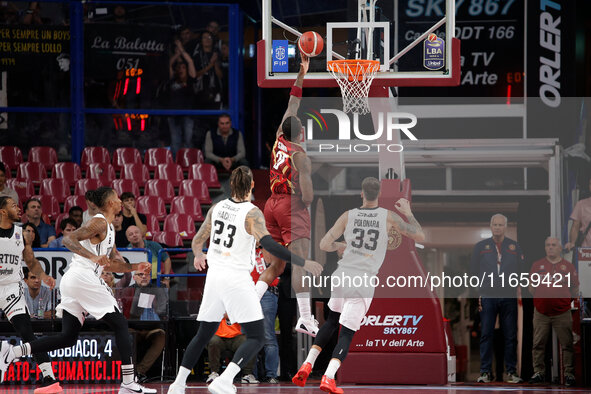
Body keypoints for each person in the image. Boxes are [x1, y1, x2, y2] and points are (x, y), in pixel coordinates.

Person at [167, 166, 321, 394]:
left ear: (231, 185)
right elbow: (268, 244)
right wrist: (302, 261)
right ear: (251, 186)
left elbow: (198, 238)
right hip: (236, 278)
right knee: (257, 336)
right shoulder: (252, 212)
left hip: (214, 277)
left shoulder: (217, 207)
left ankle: (177, 384)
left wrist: (199, 254)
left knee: (203, 334)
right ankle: (225, 379)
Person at [0, 187, 156, 394]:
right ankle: (128, 382)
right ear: (110, 203)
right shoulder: (98, 221)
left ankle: (12, 352)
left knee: (68, 337)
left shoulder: (109, 228)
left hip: (75, 280)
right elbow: (68, 240)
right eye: (117, 198)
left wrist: (136, 267)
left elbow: (108, 265)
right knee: (119, 323)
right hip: (83, 276)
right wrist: (92, 258)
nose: (120, 201)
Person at [292, 177, 425, 393]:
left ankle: (307, 364)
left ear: (361, 194)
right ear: (378, 195)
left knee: (332, 321)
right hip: (362, 280)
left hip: (341, 274)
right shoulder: (388, 217)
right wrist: (408, 212)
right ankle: (328, 377)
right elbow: (419, 234)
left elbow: (324, 244)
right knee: (346, 333)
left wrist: (341, 245)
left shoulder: (348, 216)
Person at [259, 55, 317, 336]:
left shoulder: (279, 137)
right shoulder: (301, 155)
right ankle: (304, 316)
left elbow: (293, 102)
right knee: (300, 262)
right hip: (290, 206)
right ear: (302, 132)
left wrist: (302, 74)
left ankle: (250, 302)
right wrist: (305, 206)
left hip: (269, 203)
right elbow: (307, 195)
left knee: (277, 264)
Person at [0, 196, 60, 392]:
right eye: (13, 205)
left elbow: (31, 261)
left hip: (12, 287)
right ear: (2, 211)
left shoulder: (22, 233)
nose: (18, 209)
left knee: (26, 331)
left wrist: (44, 276)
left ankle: (49, 376)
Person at [470, 214, 524, 384]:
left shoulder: (514, 247)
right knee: (486, 334)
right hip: (488, 295)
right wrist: (478, 294)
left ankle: (511, 372)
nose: (498, 227)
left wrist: (519, 291)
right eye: (495, 224)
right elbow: (473, 272)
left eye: (501, 224)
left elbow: (522, 272)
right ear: (491, 226)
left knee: (510, 335)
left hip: (508, 295)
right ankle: (485, 372)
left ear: (506, 227)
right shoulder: (480, 247)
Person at [528, 237, 579, 386]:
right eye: (548, 245)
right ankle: (539, 372)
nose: (550, 247)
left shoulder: (568, 267)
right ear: (545, 248)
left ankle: (569, 374)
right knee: (538, 344)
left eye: (553, 245)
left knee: (568, 344)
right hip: (541, 313)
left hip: (562, 312)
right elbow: (531, 288)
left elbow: (574, 288)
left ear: (560, 248)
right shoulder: (537, 265)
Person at [128, 271, 167, 382]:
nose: (144, 277)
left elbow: (163, 310)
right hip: (133, 328)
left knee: (161, 337)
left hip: (153, 328)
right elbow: (132, 314)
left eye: (147, 274)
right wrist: (140, 294)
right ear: (134, 277)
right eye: (140, 274)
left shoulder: (158, 290)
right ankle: (128, 372)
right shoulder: (128, 291)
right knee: (125, 334)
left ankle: (139, 372)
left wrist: (155, 305)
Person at [251, 247, 280, 383]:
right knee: (251, 335)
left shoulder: (269, 247)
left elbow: (277, 268)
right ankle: (251, 374)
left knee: (268, 335)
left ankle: (271, 374)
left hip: (267, 293)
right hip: (248, 292)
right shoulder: (246, 247)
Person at [166, 40, 197, 155]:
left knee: (188, 140)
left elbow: (190, 61)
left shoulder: (191, 79)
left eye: (183, 67)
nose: (181, 69)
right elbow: (169, 64)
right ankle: (175, 165)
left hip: (188, 114)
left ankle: (189, 163)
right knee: (175, 141)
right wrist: (177, 54)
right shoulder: (173, 79)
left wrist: (181, 48)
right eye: (179, 67)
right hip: (173, 114)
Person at [206, 319, 258, 384]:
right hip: (219, 337)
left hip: (237, 336)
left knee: (248, 342)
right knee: (213, 341)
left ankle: (247, 374)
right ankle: (214, 373)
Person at [193, 31, 222, 109]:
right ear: (201, 41)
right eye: (204, 37)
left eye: (209, 37)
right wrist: (210, 65)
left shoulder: (217, 54)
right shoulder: (197, 56)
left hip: (215, 91)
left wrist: (215, 63)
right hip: (200, 92)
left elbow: (220, 76)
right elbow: (195, 74)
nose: (207, 39)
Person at [565, 179, 591, 250]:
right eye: (590, 184)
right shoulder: (581, 204)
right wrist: (572, 243)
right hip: (587, 251)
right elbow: (575, 227)